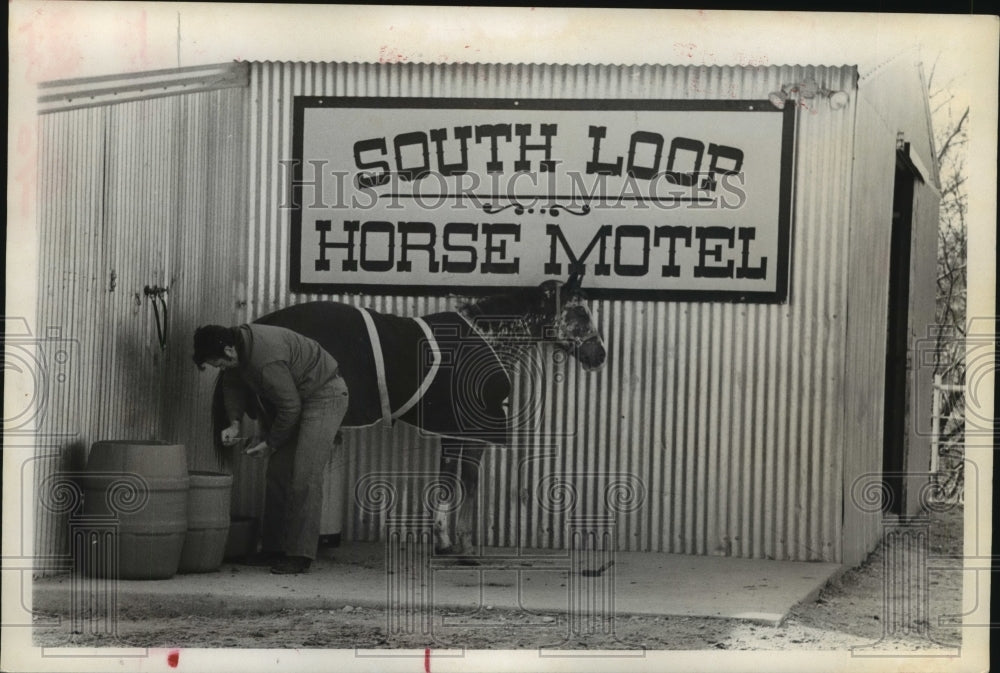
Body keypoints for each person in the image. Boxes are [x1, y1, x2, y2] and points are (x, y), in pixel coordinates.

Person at [192, 323, 349, 574]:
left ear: (230, 352)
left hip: (324, 395)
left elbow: (289, 408)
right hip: (299, 397)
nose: (220, 369)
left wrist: (270, 443)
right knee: (277, 473)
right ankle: (273, 549)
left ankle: (300, 554)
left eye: (219, 364)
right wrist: (233, 423)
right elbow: (232, 384)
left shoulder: (264, 360)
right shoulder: (237, 347)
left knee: (304, 476)